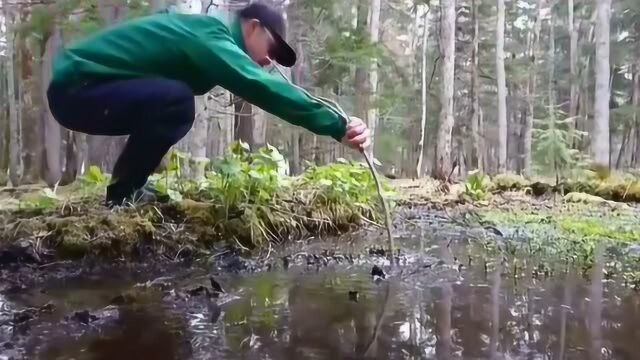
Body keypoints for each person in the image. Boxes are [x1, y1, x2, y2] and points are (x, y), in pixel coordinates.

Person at [46, 1, 371, 208]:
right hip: (78, 87)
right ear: (253, 26)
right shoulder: (211, 34)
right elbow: (261, 87)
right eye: (271, 50)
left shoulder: (205, 34)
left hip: (87, 88)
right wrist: (336, 125)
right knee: (175, 102)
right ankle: (123, 195)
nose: (268, 62)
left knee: (172, 101)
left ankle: (125, 192)